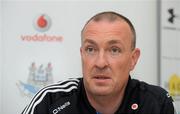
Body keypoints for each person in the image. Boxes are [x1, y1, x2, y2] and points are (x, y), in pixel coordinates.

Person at [22, 11, 175, 114]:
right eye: (91, 49)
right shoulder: (50, 101)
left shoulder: (157, 104)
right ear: (82, 55)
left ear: (133, 59)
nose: (101, 63)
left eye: (114, 50)